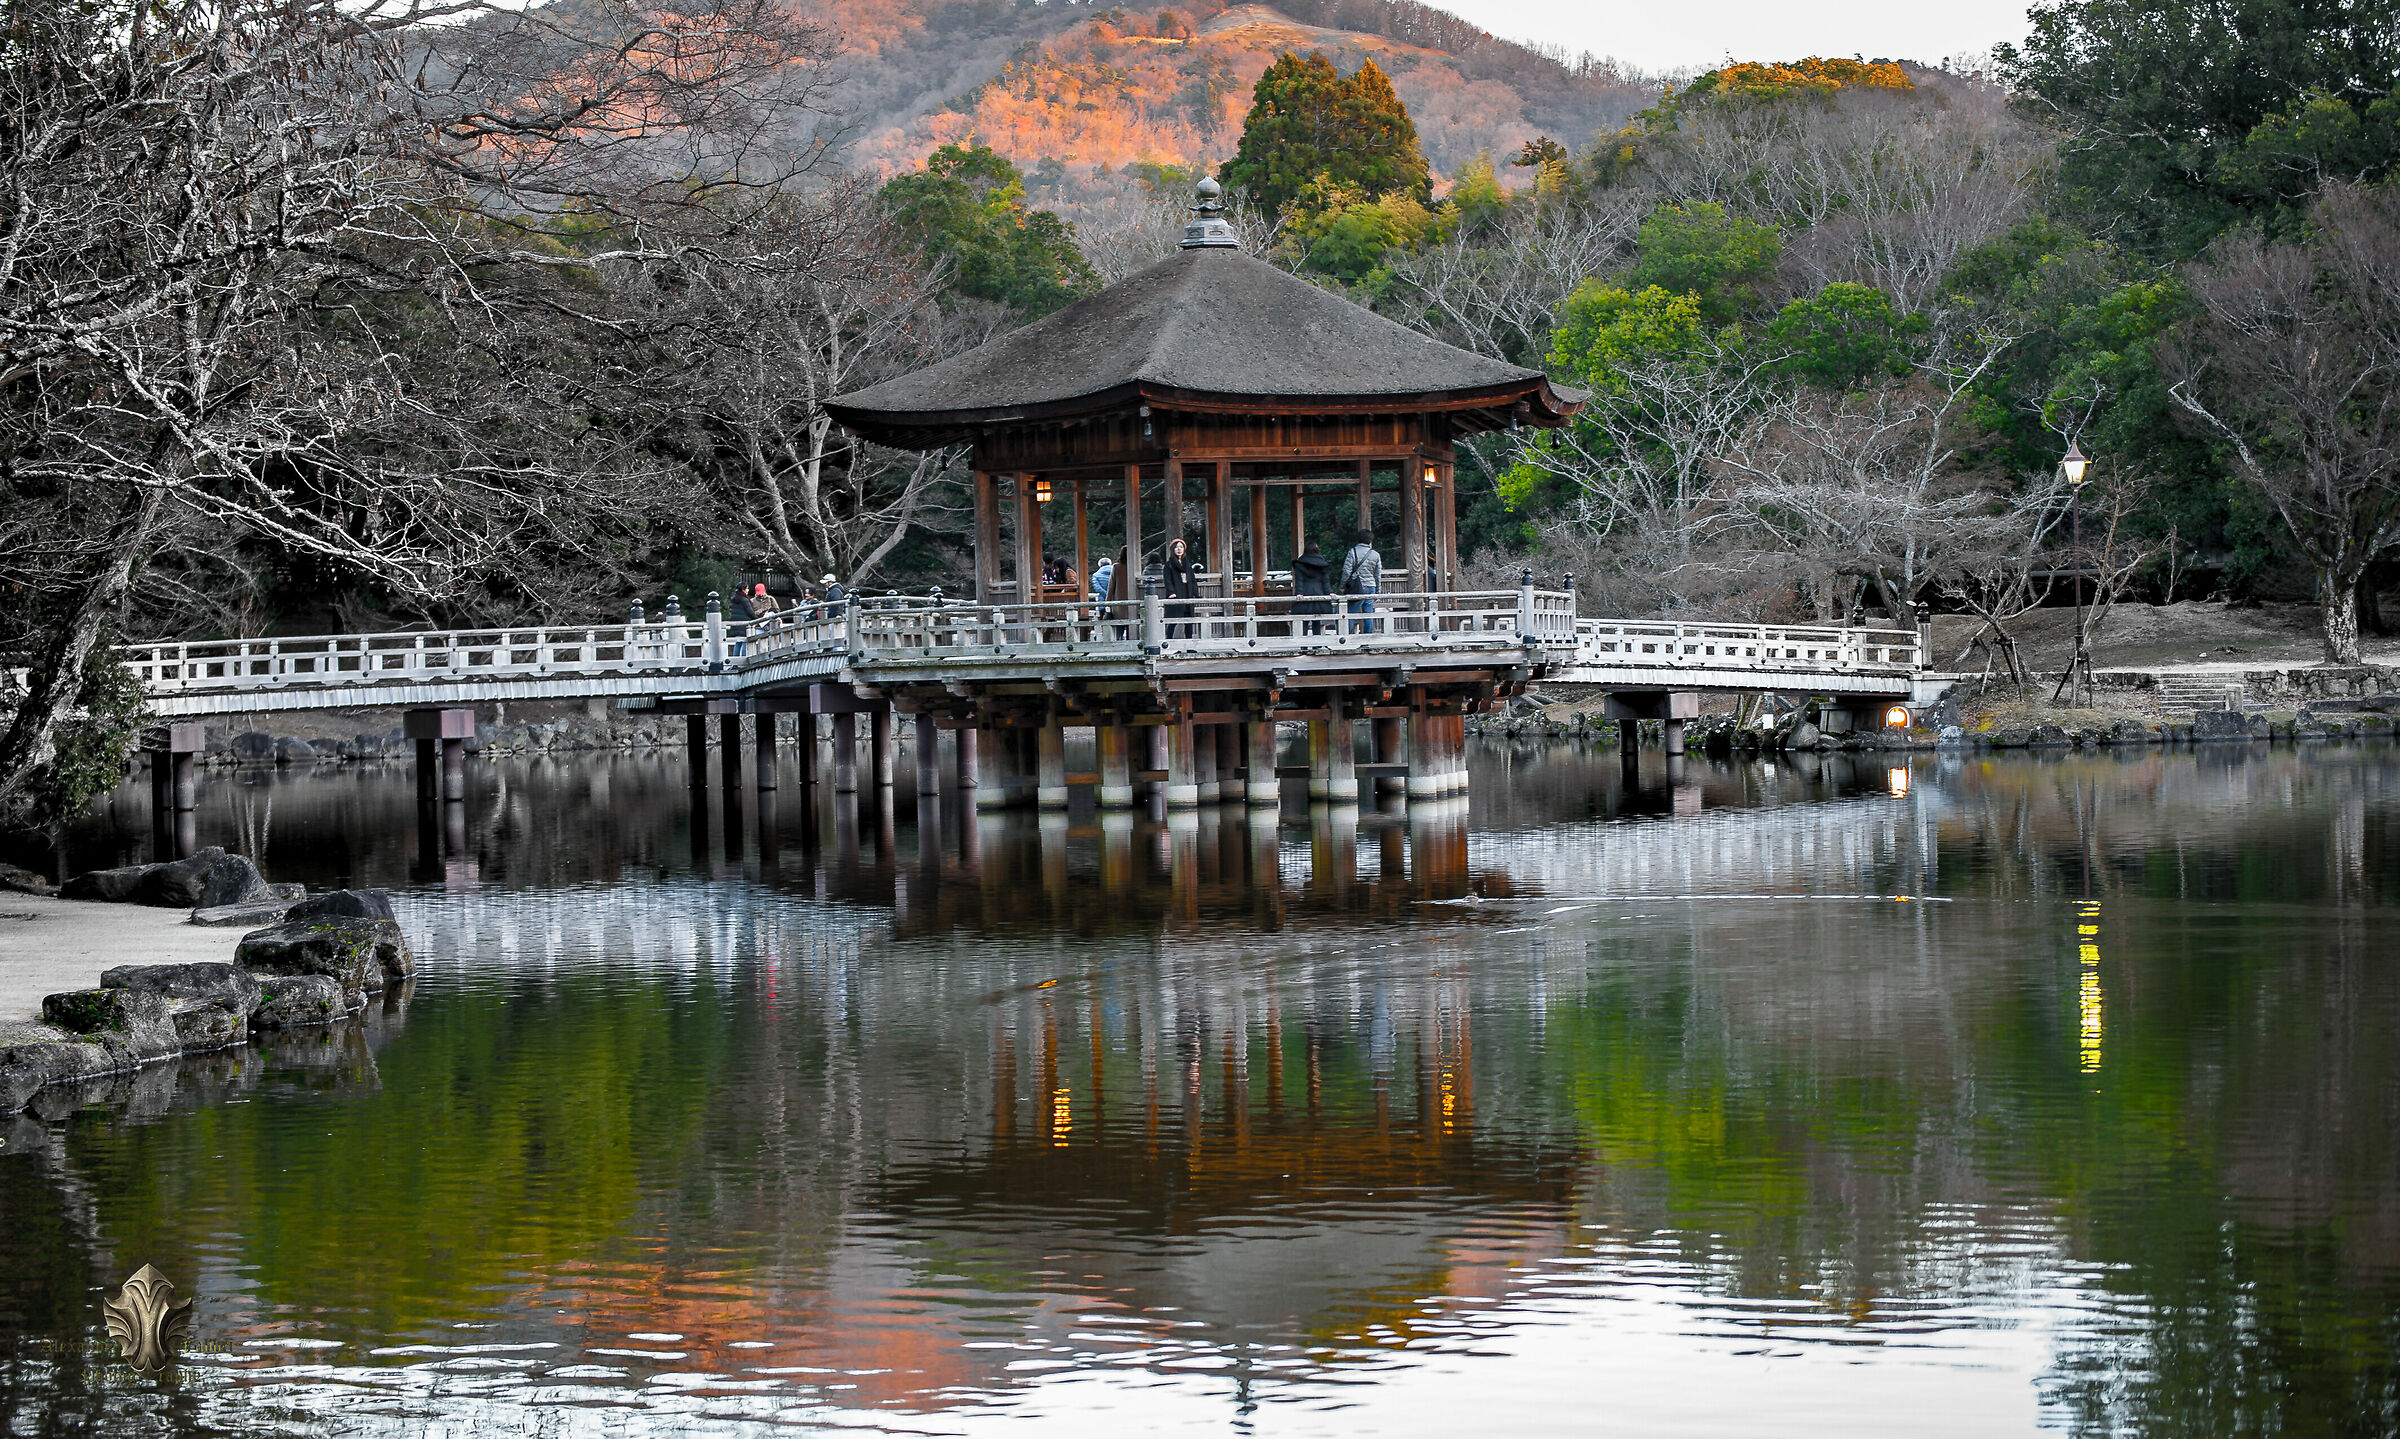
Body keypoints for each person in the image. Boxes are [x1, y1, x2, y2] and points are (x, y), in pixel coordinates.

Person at [1337, 528, 1382, 634]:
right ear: (1370, 541)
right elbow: (1378, 575)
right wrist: (1377, 592)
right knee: (1369, 615)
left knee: (1351, 614)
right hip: (1371, 587)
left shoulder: (1352, 552)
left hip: (1356, 587)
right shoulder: (1375, 554)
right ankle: (1367, 639)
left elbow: (1346, 571)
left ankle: (1346, 637)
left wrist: (1343, 586)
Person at [1161, 537, 1201, 639]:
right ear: (1173, 549)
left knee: (1189, 622)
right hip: (1176, 595)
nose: (1179, 549)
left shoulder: (1187, 564)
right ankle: (1168, 644)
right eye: (1177, 547)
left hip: (1187, 594)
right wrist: (1171, 592)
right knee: (1173, 622)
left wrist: (1196, 594)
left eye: (1181, 547)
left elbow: (1192, 580)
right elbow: (1167, 580)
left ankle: (1189, 646)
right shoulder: (1169, 564)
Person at [1291, 541, 1333, 635]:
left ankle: (1304, 646)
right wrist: (1329, 592)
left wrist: (1299, 593)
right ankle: (1317, 646)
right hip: (1319, 592)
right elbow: (1325, 581)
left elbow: (1299, 580)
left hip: (1305, 592)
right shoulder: (1322, 564)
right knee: (1316, 620)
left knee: (1304, 620)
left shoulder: (1300, 563)